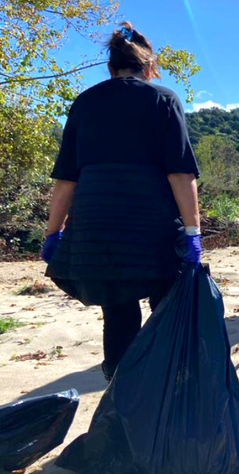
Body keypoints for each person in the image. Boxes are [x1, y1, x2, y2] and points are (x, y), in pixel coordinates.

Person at [41, 23, 202, 383]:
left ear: (111, 68)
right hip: (152, 229)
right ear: (148, 69)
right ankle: (166, 385)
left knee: (118, 311)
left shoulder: (85, 103)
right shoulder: (163, 99)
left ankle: (119, 387)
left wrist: (52, 233)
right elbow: (180, 175)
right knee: (167, 307)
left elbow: (66, 179)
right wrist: (193, 232)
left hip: (97, 231)